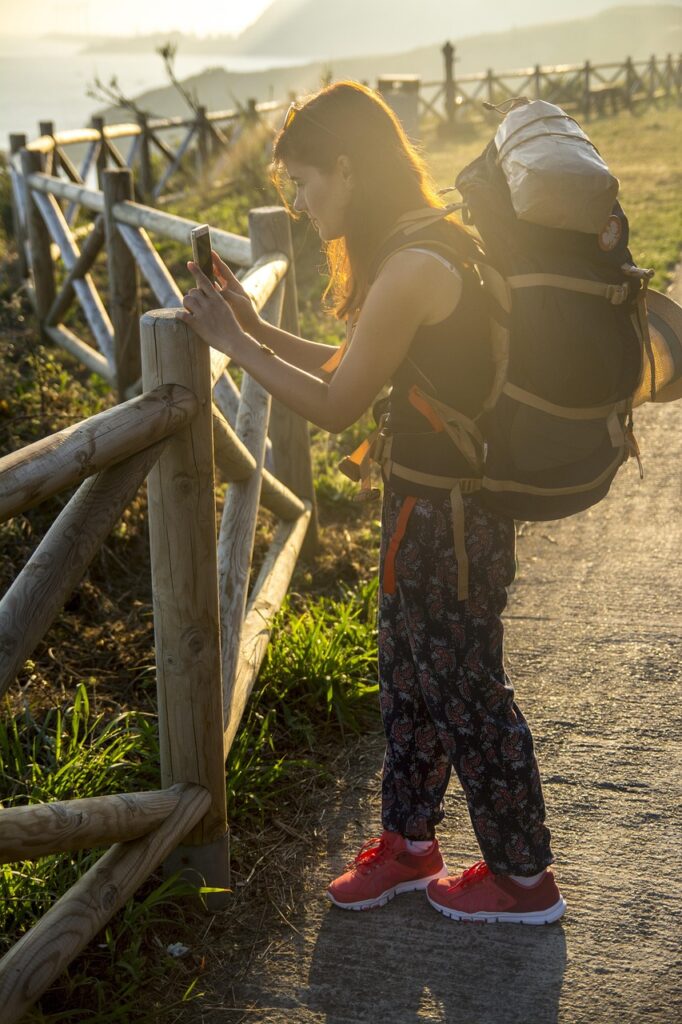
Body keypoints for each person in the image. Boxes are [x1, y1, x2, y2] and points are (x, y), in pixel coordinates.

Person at [178, 81, 566, 926]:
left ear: (348, 170)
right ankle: (410, 844)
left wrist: (233, 343)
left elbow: (337, 402)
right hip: (422, 514)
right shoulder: (418, 249)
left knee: (465, 693)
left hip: (449, 526)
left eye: (307, 183)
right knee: (410, 685)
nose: (301, 202)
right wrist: (252, 323)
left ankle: (525, 880)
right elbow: (357, 360)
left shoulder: (415, 266)